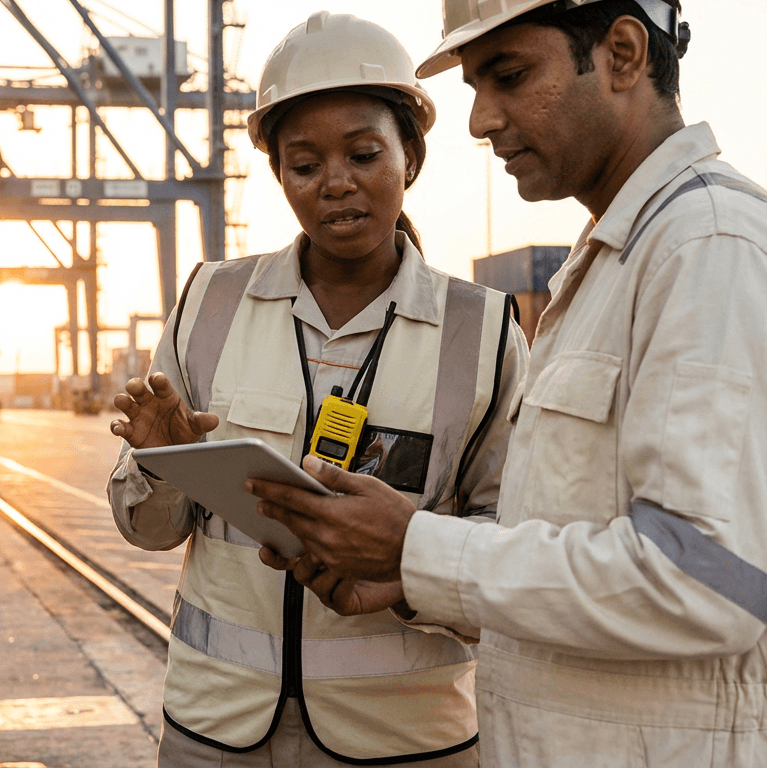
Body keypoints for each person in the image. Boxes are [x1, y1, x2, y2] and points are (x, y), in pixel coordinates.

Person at [248, 2, 767, 767]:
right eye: (474, 85)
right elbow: (578, 537)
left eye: (509, 76)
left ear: (623, 55)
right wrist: (408, 575)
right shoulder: (617, 261)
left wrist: (416, 544)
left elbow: (703, 582)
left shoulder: (715, 251)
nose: (478, 120)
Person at [105, 11, 528, 767]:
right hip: (215, 730)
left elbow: (520, 545)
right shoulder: (209, 302)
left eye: (365, 154)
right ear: (279, 176)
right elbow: (150, 531)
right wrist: (160, 462)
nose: (336, 184)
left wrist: (405, 557)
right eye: (304, 166)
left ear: (412, 157)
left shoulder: (485, 331)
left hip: (407, 741)